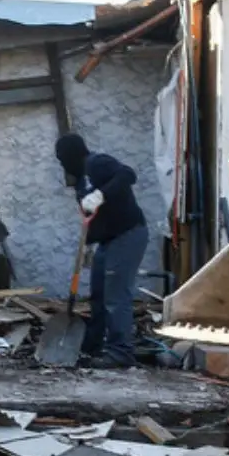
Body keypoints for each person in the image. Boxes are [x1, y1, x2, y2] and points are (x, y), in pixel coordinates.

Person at [54, 133, 148, 369]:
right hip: (107, 241)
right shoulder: (78, 182)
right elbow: (92, 217)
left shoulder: (97, 163)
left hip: (129, 234)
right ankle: (92, 345)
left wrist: (100, 194)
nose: (63, 165)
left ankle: (121, 352)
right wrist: (88, 243)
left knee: (116, 295)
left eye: (63, 159)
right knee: (98, 293)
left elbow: (128, 174)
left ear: (73, 155)